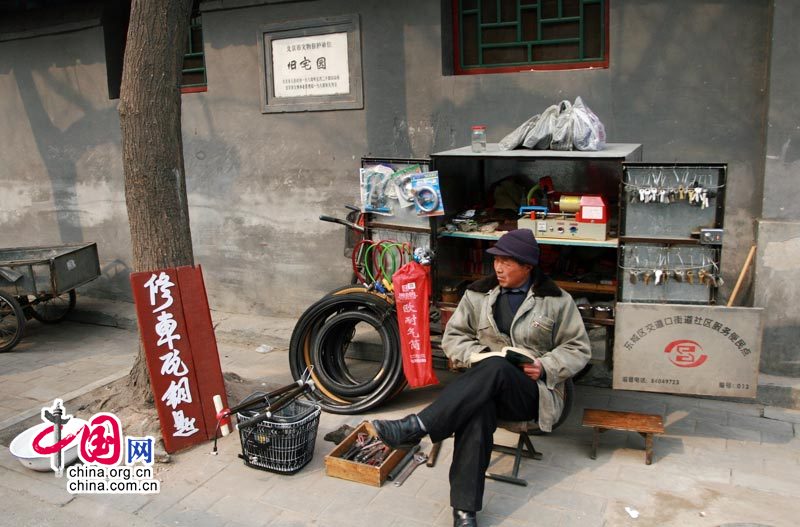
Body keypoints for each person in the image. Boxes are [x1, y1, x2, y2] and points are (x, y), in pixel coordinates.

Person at [373, 229, 591, 527]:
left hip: (529, 393)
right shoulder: (477, 294)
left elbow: (578, 348)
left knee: (500, 369)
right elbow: (454, 338)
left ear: (527, 266)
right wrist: (477, 355)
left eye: (507, 262)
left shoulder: (556, 300)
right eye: (496, 260)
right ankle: (465, 512)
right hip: (483, 390)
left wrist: (546, 365)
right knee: (477, 412)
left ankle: (419, 425)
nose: (498, 268)